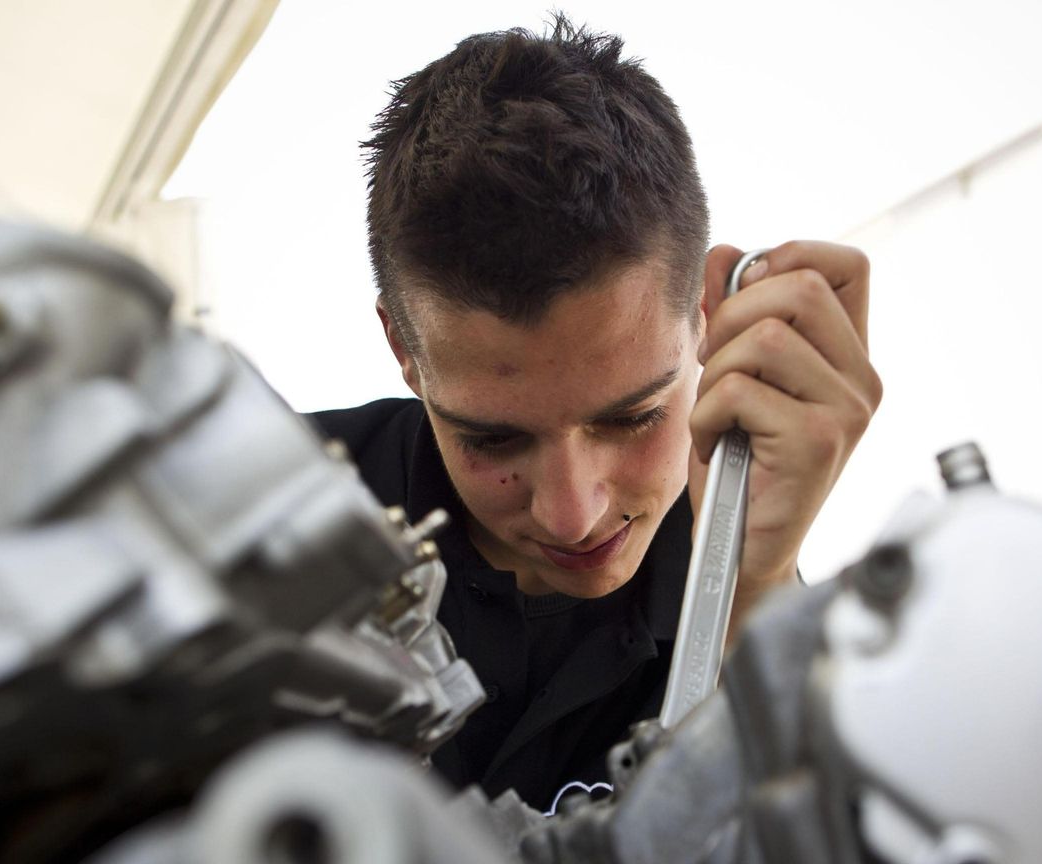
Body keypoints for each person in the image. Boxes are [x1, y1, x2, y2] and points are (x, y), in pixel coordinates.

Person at [308, 15, 880, 812]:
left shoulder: (756, 611)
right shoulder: (247, 514)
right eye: (493, 436)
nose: (573, 515)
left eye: (633, 418)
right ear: (402, 346)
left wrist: (754, 584)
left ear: (708, 316)